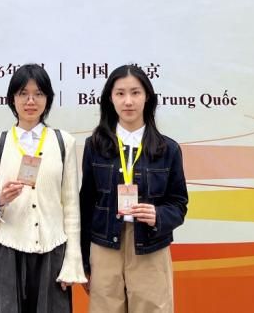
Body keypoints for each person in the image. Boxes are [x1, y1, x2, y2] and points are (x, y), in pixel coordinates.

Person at [79, 64, 188, 313]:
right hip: (104, 247)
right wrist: (83, 261)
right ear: (110, 98)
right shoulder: (95, 146)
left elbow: (179, 204)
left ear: (147, 97)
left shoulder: (168, 149)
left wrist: (158, 215)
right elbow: (86, 204)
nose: (128, 101)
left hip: (151, 247)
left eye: (135, 93)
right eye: (120, 93)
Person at [0, 63, 86, 313]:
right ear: (12, 99)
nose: (30, 101)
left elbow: (71, 205)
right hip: (7, 250)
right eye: (23, 94)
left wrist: (72, 260)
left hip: (53, 250)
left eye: (38, 93)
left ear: (48, 99)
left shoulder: (63, 142)